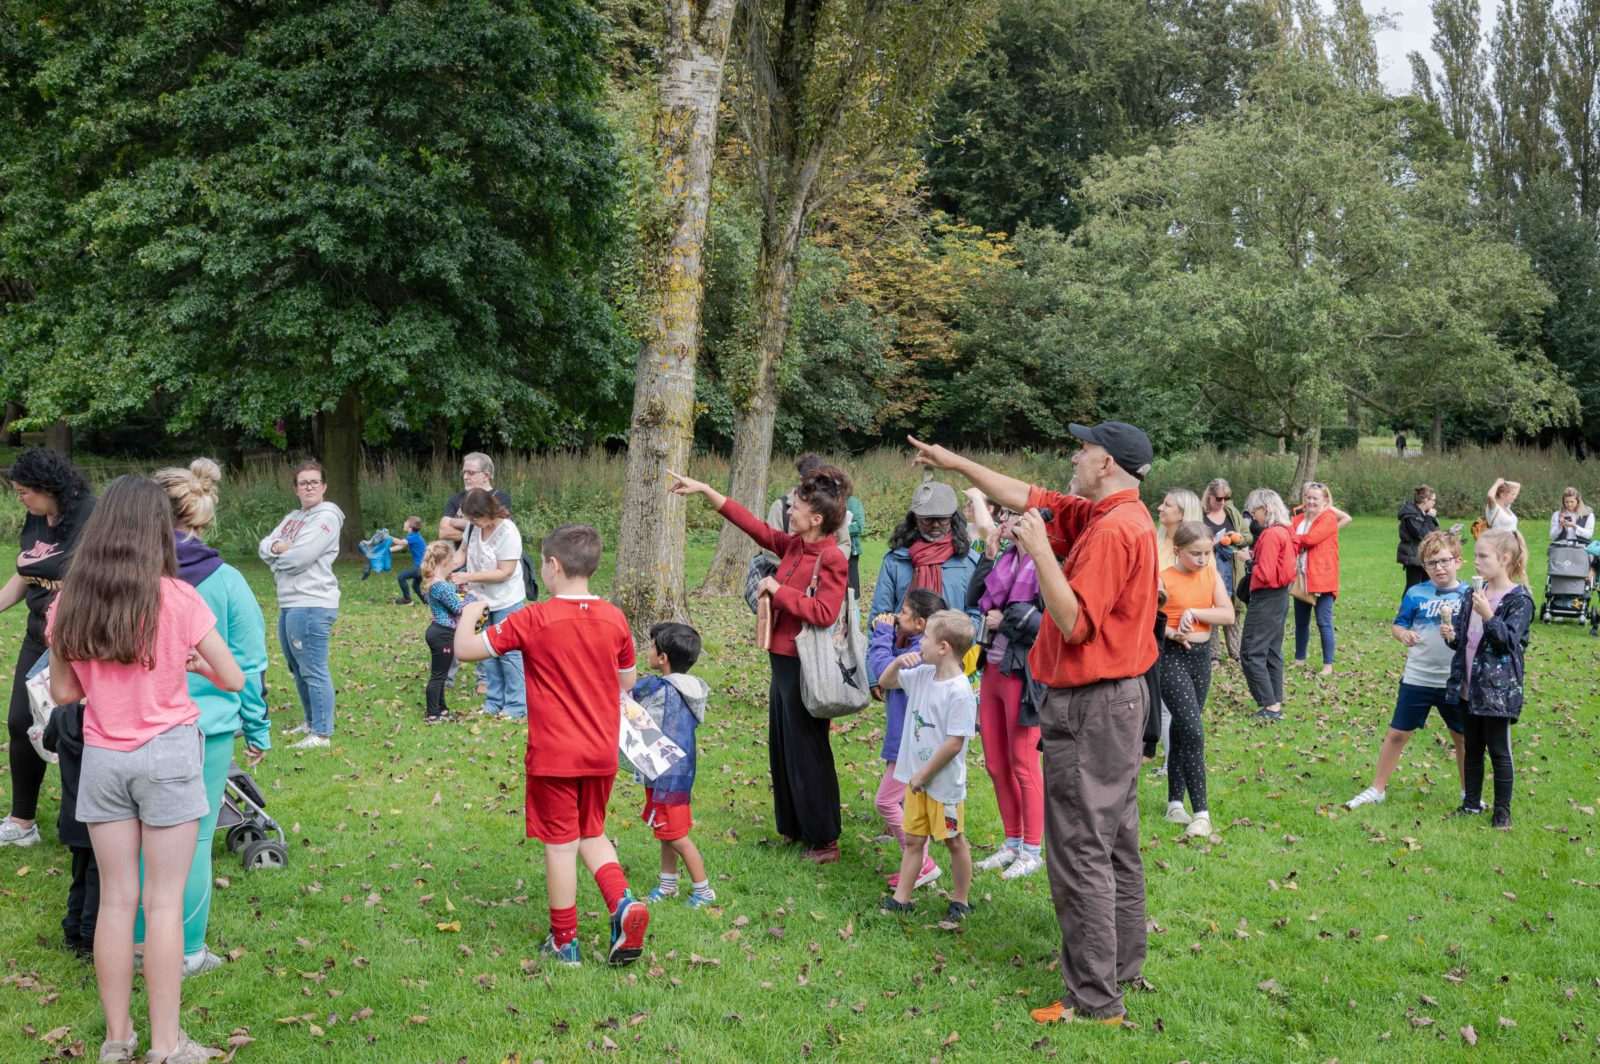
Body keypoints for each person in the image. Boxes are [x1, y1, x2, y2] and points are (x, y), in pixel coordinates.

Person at [908, 421, 1158, 1028]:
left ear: (1106, 462)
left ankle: (1096, 1000)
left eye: (1083, 448)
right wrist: (953, 459)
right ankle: (1119, 965)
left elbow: (1073, 623)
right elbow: (1027, 496)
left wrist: (1042, 550)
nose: (1074, 455)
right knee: (1114, 841)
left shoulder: (1115, 531)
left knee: (1079, 850)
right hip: (1117, 702)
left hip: (1093, 706)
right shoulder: (1112, 513)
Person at [47, 475, 245, 1064]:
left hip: (103, 756)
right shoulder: (180, 598)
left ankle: (118, 1040)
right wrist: (196, 668)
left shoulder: (70, 601)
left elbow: (62, 691)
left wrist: (100, 673)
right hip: (167, 753)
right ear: (159, 528)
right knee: (162, 903)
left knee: (115, 900)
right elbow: (234, 678)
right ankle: (167, 1046)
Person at [456, 524, 650, 967]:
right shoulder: (614, 618)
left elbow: (466, 649)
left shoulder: (532, 618)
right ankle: (623, 904)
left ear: (554, 566)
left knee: (560, 844)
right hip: (601, 752)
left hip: (555, 755)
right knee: (592, 832)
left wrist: (470, 612)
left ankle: (565, 942)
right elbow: (628, 681)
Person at [669, 464, 851, 864]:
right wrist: (705, 488)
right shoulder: (795, 546)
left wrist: (778, 590)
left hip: (806, 667)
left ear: (816, 519)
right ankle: (795, 828)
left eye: (796, 507)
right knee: (784, 750)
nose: (789, 511)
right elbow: (752, 525)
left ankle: (825, 841)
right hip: (782, 663)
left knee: (809, 752)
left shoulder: (832, 556)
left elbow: (824, 612)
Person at [139, 459, 270, 977]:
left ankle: (139, 943)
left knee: (139, 841)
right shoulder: (228, 580)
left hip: (133, 726)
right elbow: (249, 663)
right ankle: (189, 950)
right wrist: (257, 729)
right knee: (191, 842)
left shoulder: (122, 573)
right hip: (206, 728)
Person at [0, 447, 94, 847]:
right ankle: (22, 823)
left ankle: (88, 818)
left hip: (75, 640)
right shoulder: (38, 516)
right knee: (21, 722)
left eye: (23, 492)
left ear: (47, 486)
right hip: (37, 633)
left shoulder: (91, 515)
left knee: (74, 727)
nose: (19, 497)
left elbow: (94, 579)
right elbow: (26, 571)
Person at [1346, 530, 1468, 811]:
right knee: (1397, 734)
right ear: (1424, 567)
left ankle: (1468, 793)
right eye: (1431, 563)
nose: (1439, 567)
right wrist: (1403, 636)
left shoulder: (1469, 595)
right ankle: (1377, 788)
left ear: (1458, 561)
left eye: (1444, 561)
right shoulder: (1416, 593)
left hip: (1454, 680)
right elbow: (1398, 624)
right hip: (1418, 677)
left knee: (1463, 738)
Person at [876, 610, 979, 924]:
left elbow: (954, 743)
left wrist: (924, 774)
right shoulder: (921, 674)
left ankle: (960, 901)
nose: (920, 642)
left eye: (927, 638)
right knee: (914, 841)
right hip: (916, 783)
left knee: (953, 840)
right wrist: (896, 662)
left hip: (942, 787)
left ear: (944, 647)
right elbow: (885, 682)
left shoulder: (960, 691)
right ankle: (901, 900)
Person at [969, 506, 1046, 880]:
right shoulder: (1007, 559)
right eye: (1003, 517)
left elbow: (1051, 625)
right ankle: (1012, 842)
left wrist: (1006, 620)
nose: (1004, 523)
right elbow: (974, 597)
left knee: (1024, 763)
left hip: (1023, 675)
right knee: (996, 764)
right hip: (993, 671)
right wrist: (988, 554)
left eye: (1012, 517)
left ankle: (1033, 850)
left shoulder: (1048, 564)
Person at [1442, 529, 1532, 829]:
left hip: (1497, 690)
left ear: (1504, 559)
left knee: (1498, 750)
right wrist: (1451, 636)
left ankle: (1502, 813)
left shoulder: (1519, 600)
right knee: (1472, 748)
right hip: (1469, 686)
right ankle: (1471, 804)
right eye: (1477, 555)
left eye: (1483, 556)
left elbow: (1507, 642)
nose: (1476, 561)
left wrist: (1489, 614)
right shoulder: (1472, 593)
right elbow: (1466, 640)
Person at [258, 459, 343, 750]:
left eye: (314, 482)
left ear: (324, 486)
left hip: (312, 601)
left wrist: (282, 554)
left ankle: (321, 733)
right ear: (296, 488)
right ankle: (310, 721)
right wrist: (277, 549)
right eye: (303, 483)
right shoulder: (294, 516)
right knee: (297, 666)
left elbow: (299, 558)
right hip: (290, 601)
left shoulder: (328, 516)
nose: (309, 487)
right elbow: (264, 545)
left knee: (313, 668)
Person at [1158, 522, 1234, 840]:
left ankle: (1175, 803)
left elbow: (1227, 614)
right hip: (1171, 658)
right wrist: (1172, 631)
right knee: (1192, 730)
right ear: (1178, 551)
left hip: (1201, 659)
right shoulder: (1163, 578)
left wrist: (1194, 611)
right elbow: (1146, 619)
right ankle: (1201, 814)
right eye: (1196, 554)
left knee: (1181, 728)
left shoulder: (1210, 574)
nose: (1203, 559)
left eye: (1207, 553)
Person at [867, 589, 947, 891]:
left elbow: (881, 668)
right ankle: (916, 865)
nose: (898, 616)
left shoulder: (918, 656)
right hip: (907, 740)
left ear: (920, 622)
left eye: (904, 612)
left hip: (908, 744)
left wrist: (883, 632)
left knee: (886, 801)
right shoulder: (920, 650)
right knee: (910, 807)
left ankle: (922, 863)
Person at [868, 479, 982, 690]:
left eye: (943, 519)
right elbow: (880, 614)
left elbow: (976, 612)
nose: (936, 525)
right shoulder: (896, 561)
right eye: (929, 519)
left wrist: (957, 642)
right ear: (915, 519)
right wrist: (874, 673)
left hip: (954, 668)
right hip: (904, 667)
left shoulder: (968, 562)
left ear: (953, 519)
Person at [632, 622, 714, 909]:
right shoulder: (683, 688)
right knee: (666, 832)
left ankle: (703, 891)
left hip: (668, 777)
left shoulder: (664, 692)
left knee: (678, 837)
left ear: (663, 658)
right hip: (671, 775)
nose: (648, 650)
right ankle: (667, 885)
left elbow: (640, 717)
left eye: (651, 645)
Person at [450, 488, 527, 719]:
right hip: (480, 600)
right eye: (469, 518)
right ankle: (494, 702)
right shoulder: (474, 527)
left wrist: (467, 577)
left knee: (510, 653)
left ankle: (515, 706)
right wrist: (443, 569)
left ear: (488, 512)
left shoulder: (508, 532)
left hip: (507, 600)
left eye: (474, 518)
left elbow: (505, 572)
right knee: (487, 652)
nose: (471, 522)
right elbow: (462, 554)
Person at [438, 452, 511, 692]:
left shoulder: (500, 499)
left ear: (486, 474)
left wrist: (461, 522)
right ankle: (447, 677)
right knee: (457, 622)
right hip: (466, 569)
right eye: (464, 472)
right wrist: (442, 571)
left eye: (471, 472)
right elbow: (444, 532)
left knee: (487, 626)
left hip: (493, 574)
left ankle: (484, 679)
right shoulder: (459, 504)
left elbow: (495, 526)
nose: (465, 476)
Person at [42, 698, 96, 961]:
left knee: (80, 876)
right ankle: (89, 937)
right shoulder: (105, 718)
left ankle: (72, 930)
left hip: (73, 815)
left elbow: (47, 742)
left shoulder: (61, 714)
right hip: (99, 814)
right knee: (99, 880)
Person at [1241, 489, 1296, 723]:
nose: (1254, 517)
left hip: (1267, 597)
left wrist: (1249, 562)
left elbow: (1265, 573)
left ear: (1265, 509)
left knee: (1251, 651)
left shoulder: (1272, 534)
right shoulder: (1286, 531)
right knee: (1272, 650)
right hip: (1281, 596)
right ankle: (1275, 699)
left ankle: (1269, 705)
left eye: (1255, 512)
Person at [1291, 481, 1350, 678]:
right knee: (1300, 622)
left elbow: (1310, 539)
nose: (1310, 501)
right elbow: (1293, 536)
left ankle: (1327, 665)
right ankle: (1299, 659)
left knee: (1324, 622)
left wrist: (1292, 539)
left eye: (1315, 498)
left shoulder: (1328, 518)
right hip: (1301, 577)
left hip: (1322, 578)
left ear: (1325, 501)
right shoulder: (1299, 519)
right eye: (1308, 497)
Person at [1200, 479, 1251, 663]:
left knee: (1234, 608)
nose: (1223, 502)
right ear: (1210, 496)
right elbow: (1192, 540)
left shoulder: (1232, 513)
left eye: (1227, 497)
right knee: (1212, 607)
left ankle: (1235, 652)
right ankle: (1213, 654)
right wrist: (1211, 543)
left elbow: (1248, 536)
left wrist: (1235, 538)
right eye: (1220, 498)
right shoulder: (1200, 516)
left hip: (1232, 568)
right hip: (1211, 567)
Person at [421, 541, 471, 722]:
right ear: (445, 562)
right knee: (438, 676)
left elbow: (453, 600)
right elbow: (459, 607)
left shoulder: (439, 582)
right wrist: (472, 597)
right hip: (443, 633)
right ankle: (432, 714)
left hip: (441, 632)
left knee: (441, 674)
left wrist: (460, 590)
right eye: (453, 561)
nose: (454, 564)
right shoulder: (440, 585)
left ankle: (442, 709)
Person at [766, 453, 850, 558]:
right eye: (811, 481)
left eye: (820, 482)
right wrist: (795, 570)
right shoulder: (780, 507)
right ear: (801, 479)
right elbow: (770, 549)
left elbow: (844, 544)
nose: (815, 486)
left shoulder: (835, 507)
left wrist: (828, 564)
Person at [1397, 485, 1440, 591]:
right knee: (1412, 588)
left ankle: (1423, 607)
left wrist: (1448, 533)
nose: (1434, 503)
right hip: (1413, 557)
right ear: (1426, 500)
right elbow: (1423, 534)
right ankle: (1406, 608)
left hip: (1426, 555)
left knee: (1428, 585)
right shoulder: (1410, 516)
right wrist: (1429, 517)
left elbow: (1433, 532)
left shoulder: (1424, 513)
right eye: (1433, 500)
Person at [1155, 487, 1201, 569]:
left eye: (1167, 505)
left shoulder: (1200, 552)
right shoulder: (1154, 542)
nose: (1160, 508)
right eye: (1163, 503)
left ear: (1182, 514)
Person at [392, 516, 427, 605]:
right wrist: (388, 550)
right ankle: (427, 602)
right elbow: (401, 546)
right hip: (422, 566)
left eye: (406, 521)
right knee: (415, 586)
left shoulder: (414, 536)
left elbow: (401, 542)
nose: (404, 522)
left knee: (401, 577)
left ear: (410, 526)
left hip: (421, 567)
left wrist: (388, 537)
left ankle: (407, 600)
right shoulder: (413, 536)